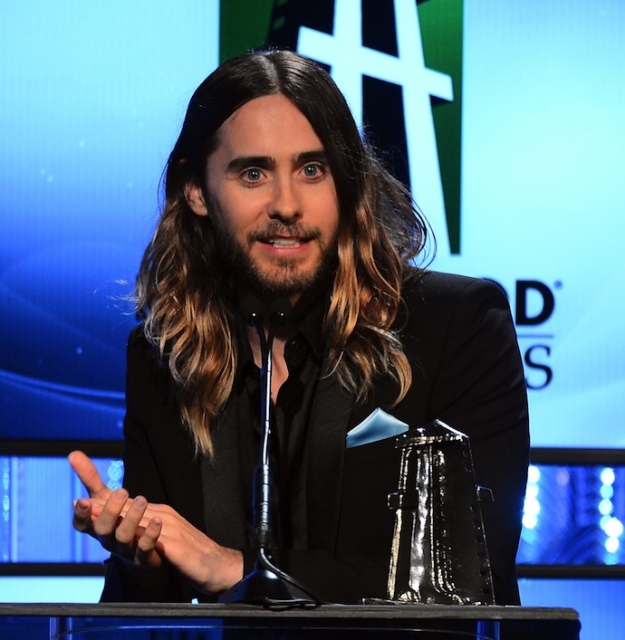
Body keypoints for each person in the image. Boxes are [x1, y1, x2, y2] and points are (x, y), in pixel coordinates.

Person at [70, 49, 529, 605]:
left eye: (312, 169)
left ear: (346, 183)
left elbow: (469, 578)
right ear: (196, 190)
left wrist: (233, 568)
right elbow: (152, 606)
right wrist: (141, 559)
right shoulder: (161, 358)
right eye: (253, 173)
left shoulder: (456, 326)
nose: (286, 205)